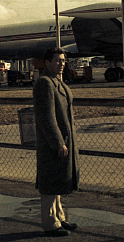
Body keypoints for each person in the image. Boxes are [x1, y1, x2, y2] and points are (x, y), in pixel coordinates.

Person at [33, 47, 80, 237]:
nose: (61, 63)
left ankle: (59, 217)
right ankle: (50, 223)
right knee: (50, 183)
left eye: (63, 60)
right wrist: (58, 142)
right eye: (57, 60)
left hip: (63, 140)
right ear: (47, 63)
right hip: (52, 143)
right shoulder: (45, 83)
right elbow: (47, 118)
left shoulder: (56, 82)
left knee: (58, 180)